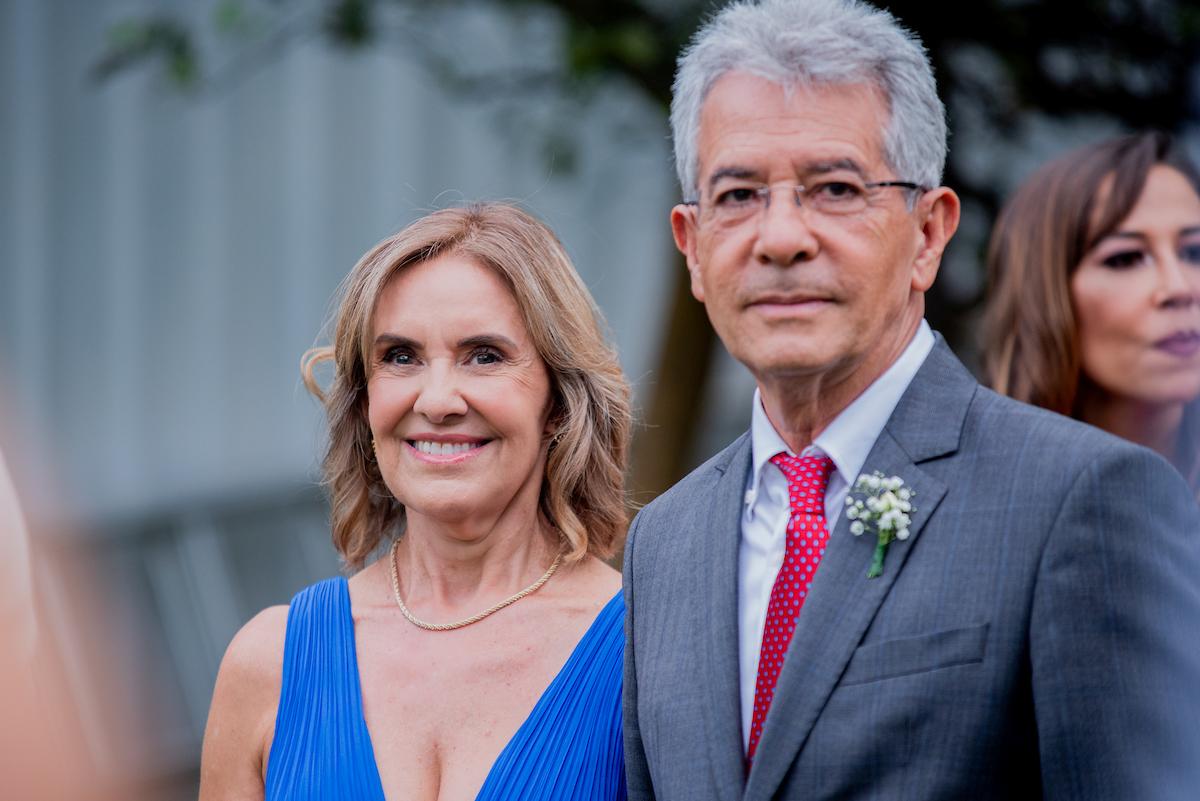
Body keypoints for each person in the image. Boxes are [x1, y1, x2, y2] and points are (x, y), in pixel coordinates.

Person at [622, 1, 1200, 800]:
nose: (781, 237)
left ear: (928, 233)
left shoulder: (1084, 499)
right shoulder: (663, 542)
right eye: (739, 195)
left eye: (833, 187)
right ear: (691, 246)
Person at [200, 203, 632, 800]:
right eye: (400, 357)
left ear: (559, 402)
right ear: (364, 403)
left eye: (484, 355)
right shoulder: (267, 664)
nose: (436, 400)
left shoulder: (646, 654)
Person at [984, 131, 1200, 495]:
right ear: (1047, 298)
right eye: (1126, 258)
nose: (1179, 288)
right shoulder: (988, 502)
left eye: (1194, 253)